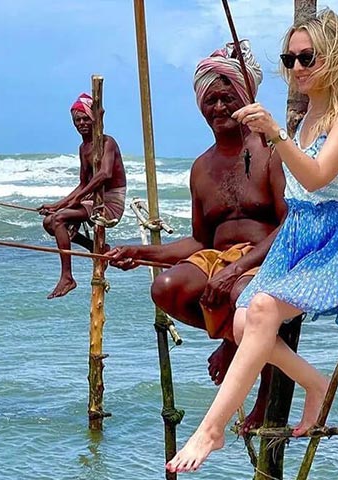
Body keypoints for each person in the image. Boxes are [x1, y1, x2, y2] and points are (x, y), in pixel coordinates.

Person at [167, 9, 338, 473]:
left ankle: (211, 428)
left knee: (260, 312)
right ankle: (315, 384)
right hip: (296, 235)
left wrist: (276, 135)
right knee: (242, 323)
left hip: (333, 238)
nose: (297, 68)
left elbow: (318, 178)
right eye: (290, 59)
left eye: (307, 57)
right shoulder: (306, 117)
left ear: (334, 56)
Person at [106, 41, 287, 430]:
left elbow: (292, 226)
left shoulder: (272, 150)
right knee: (166, 289)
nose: (219, 107)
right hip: (218, 258)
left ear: (246, 93)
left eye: (227, 97)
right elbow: (200, 243)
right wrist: (139, 252)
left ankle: (262, 395)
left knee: (245, 298)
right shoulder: (201, 168)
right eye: (210, 100)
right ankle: (235, 339)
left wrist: (237, 268)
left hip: (265, 257)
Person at [38, 93, 127, 299]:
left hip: (110, 202)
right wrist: (57, 204)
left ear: (94, 118)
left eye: (85, 118)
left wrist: (76, 201)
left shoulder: (107, 142)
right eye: (77, 120)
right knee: (50, 221)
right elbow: (84, 184)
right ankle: (96, 248)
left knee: (60, 219)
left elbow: (105, 174)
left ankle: (67, 277)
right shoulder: (83, 148)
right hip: (93, 198)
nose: (81, 123)